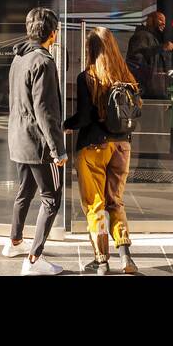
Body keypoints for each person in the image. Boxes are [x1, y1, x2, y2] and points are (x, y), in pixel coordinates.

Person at [65, 27, 142, 274]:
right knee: (115, 201)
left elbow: (85, 118)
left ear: (91, 49)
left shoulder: (87, 77)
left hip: (94, 148)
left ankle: (101, 261)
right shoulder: (127, 75)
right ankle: (126, 257)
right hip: (122, 145)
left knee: (95, 205)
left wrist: (67, 125)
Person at [3, 7, 67, 276]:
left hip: (18, 139)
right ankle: (33, 259)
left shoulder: (19, 58)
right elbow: (45, 110)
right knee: (52, 198)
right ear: (52, 33)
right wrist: (58, 150)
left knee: (25, 191)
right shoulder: (44, 61)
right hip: (38, 145)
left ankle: (14, 242)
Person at [126, 10, 173, 97]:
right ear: (151, 20)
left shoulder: (150, 37)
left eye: (164, 21)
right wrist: (161, 48)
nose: (164, 23)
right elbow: (136, 59)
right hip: (145, 91)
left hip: (149, 89)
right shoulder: (141, 36)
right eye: (160, 19)